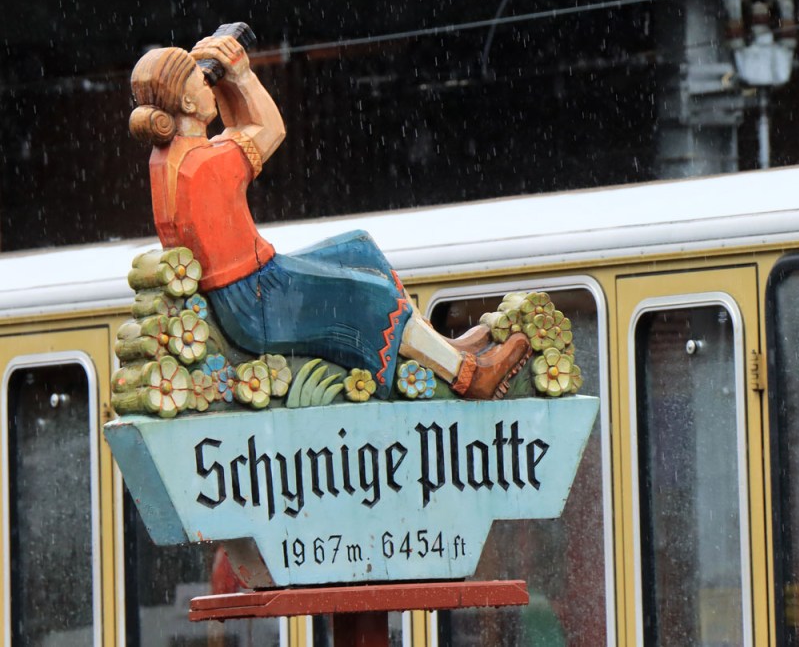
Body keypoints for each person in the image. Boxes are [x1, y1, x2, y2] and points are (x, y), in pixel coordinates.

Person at [128, 34, 530, 399]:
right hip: (257, 297)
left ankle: (439, 348)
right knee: (372, 297)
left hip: (249, 287)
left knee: (358, 248)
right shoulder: (204, 165)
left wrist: (226, 81)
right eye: (202, 83)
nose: (210, 87)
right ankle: (468, 376)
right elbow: (268, 129)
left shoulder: (170, 160)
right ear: (187, 103)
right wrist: (242, 75)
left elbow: (236, 133)